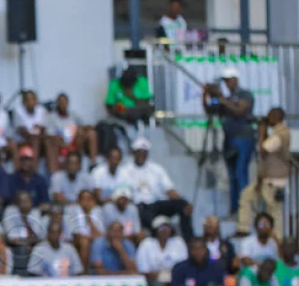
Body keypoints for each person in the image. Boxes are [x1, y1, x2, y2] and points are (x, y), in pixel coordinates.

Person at [203, 67, 254, 213]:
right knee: (232, 176)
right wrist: (205, 94)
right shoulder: (226, 99)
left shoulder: (245, 95)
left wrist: (221, 98)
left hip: (243, 138)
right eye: (224, 82)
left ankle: (245, 209)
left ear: (235, 80)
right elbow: (209, 110)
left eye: (227, 81)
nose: (225, 84)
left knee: (241, 173)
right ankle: (234, 208)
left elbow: (239, 110)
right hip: (229, 140)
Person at [124, 137, 193, 240]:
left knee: (183, 206)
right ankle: (161, 232)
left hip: (156, 205)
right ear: (133, 152)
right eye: (139, 152)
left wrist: (185, 203)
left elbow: (170, 190)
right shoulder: (125, 170)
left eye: (144, 152)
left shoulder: (156, 169)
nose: (142, 155)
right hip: (139, 207)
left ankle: (189, 239)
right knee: (148, 217)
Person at [239, 107, 290, 238]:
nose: (268, 118)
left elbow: (263, 150)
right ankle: (243, 228)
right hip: (265, 179)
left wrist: (262, 132)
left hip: (274, 180)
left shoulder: (281, 133)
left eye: (270, 116)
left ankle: (277, 238)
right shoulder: (275, 133)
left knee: (274, 210)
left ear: (276, 117)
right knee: (246, 196)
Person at [45, 92, 98, 170]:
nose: (63, 104)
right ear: (57, 103)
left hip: (75, 142)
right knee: (52, 140)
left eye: (64, 101)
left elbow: (85, 125)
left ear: (68, 103)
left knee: (91, 133)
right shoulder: (52, 117)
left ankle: (93, 163)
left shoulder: (73, 115)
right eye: (60, 102)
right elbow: (50, 135)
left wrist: (83, 129)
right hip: (60, 143)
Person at [2, 190, 45, 274]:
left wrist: (26, 220)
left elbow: (38, 236)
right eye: (22, 202)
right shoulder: (10, 211)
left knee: (41, 248)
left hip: (32, 245)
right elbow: (12, 238)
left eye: (27, 201)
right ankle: (21, 276)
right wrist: (26, 243)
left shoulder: (35, 212)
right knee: (22, 249)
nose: (24, 204)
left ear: (31, 202)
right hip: (15, 247)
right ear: (17, 204)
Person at [64, 189, 105, 270]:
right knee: (85, 242)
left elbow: (100, 234)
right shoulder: (71, 210)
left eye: (89, 199)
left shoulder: (97, 211)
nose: (86, 202)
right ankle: (83, 273)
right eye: (84, 199)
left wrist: (88, 215)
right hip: (75, 240)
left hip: (92, 239)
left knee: (99, 243)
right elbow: (73, 233)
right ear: (78, 200)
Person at [105, 66, 152, 132]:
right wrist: (116, 108)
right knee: (119, 107)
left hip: (138, 109)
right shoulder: (114, 84)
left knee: (144, 108)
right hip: (122, 109)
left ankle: (134, 125)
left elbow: (146, 102)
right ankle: (130, 126)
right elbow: (109, 104)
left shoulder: (142, 82)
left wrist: (131, 96)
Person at [5, 145, 49, 211]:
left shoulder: (40, 180)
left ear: (33, 161)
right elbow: (9, 201)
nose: (26, 163)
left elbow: (46, 203)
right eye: (23, 160)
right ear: (19, 161)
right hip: (17, 212)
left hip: (35, 212)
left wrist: (32, 210)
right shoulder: (12, 178)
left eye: (29, 160)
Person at [14, 90, 47, 161]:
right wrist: (36, 130)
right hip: (22, 141)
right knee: (35, 140)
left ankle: (53, 170)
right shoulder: (18, 111)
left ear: (36, 101)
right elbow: (24, 132)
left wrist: (37, 130)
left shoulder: (41, 110)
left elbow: (42, 129)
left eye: (32, 99)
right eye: (27, 100)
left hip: (39, 139)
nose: (30, 102)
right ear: (23, 102)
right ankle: (34, 170)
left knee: (49, 141)